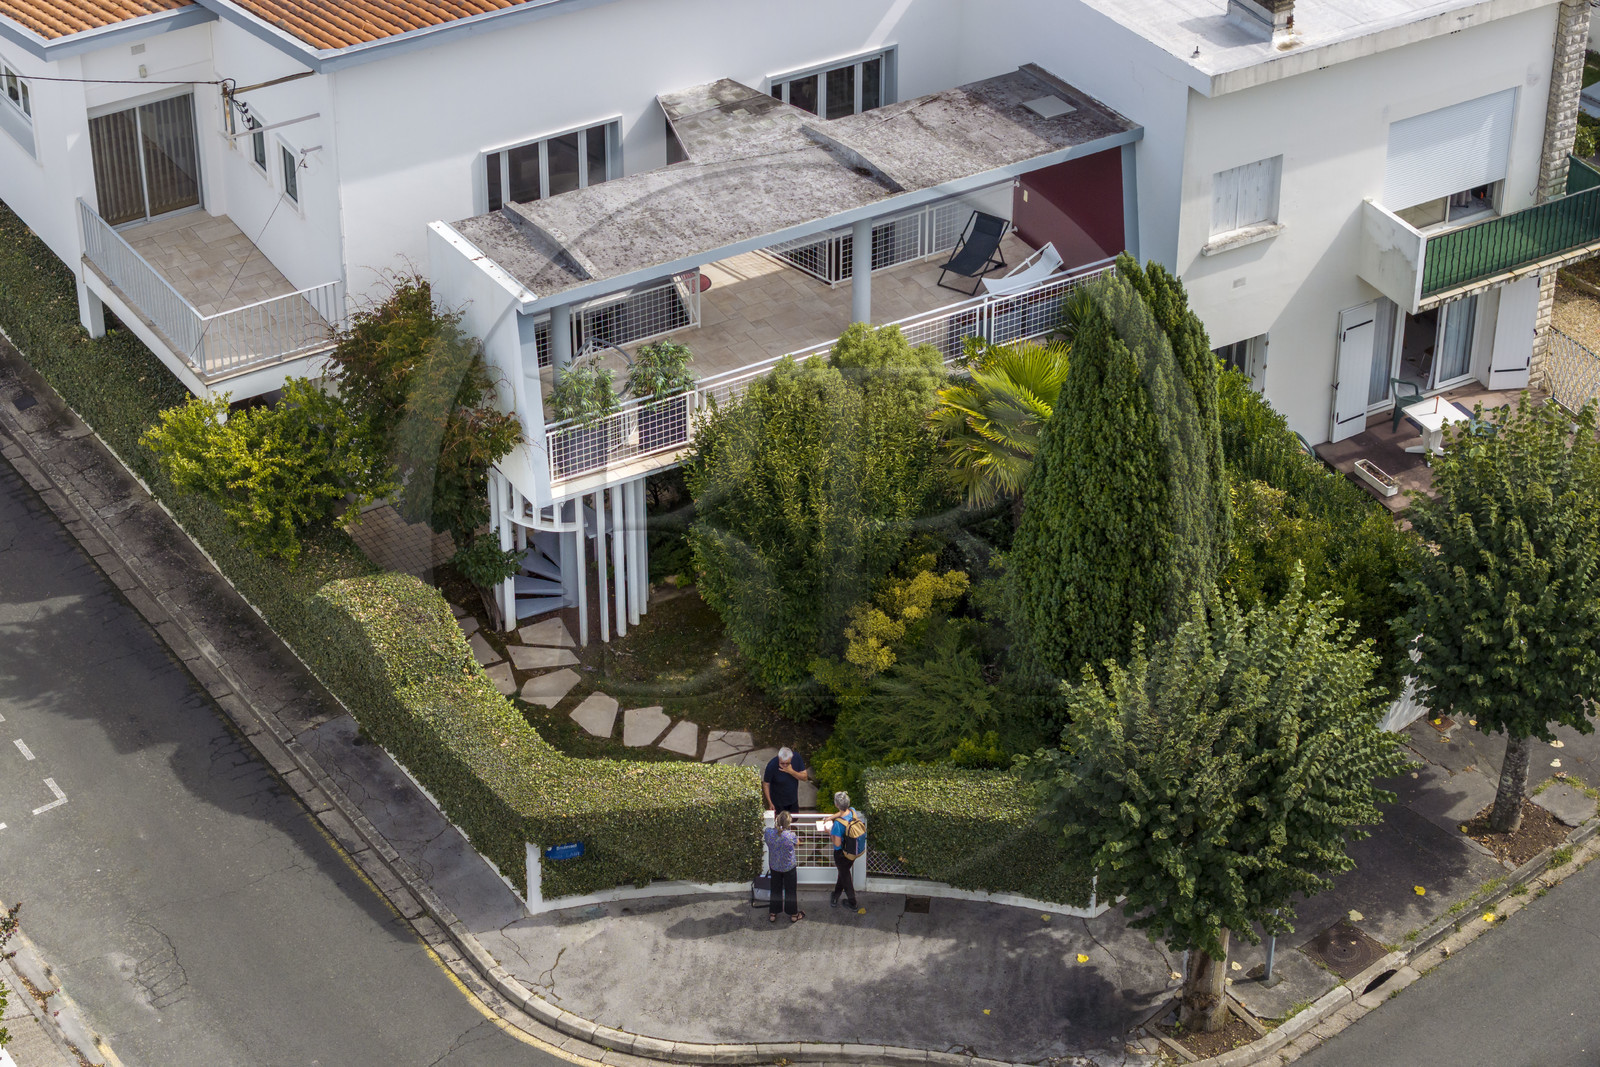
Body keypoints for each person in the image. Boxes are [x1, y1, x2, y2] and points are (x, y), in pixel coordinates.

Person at [827, 790, 866, 910]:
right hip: (852, 852)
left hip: (841, 854)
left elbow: (837, 843)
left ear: (836, 805)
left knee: (845, 877)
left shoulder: (838, 825)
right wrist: (830, 817)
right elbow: (841, 813)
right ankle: (835, 896)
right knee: (843, 874)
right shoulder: (853, 811)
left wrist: (828, 831)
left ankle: (852, 903)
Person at [762, 811, 803, 923]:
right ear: (788, 824)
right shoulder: (790, 836)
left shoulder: (768, 833)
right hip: (789, 866)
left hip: (774, 866)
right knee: (790, 890)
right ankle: (793, 914)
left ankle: (773, 913)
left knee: (775, 889)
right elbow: (798, 843)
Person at [761, 746, 809, 813]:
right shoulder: (771, 766)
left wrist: (791, 771)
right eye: (782, 763)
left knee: (793, 819)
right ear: (779, 758)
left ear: (791, 759)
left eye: (787, 763)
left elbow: (805, 778)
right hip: (777, 802)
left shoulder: (797, 758)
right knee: (780, 821)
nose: (785, 765)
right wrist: (770, 802)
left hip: (793, 799)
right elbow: (766, 784)